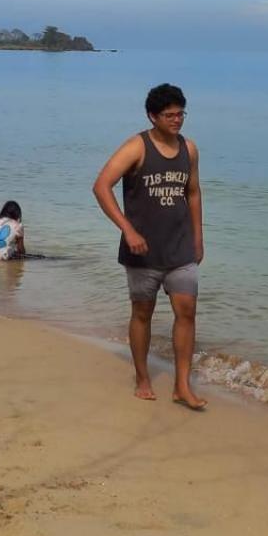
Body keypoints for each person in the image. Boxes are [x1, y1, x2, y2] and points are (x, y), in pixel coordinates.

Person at [92, 83, 205, 409]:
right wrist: (127, 229)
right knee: (143, 313)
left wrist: (198, 236)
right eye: (169, 115)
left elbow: (193, 193)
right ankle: (142, 377)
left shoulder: (189, 149)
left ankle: (182, 385)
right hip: (142, 251)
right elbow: (101, 186)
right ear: (152, 116)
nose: (177, 120)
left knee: (187, 311)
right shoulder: (136, 148)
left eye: (181, 113)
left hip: (180, 248)